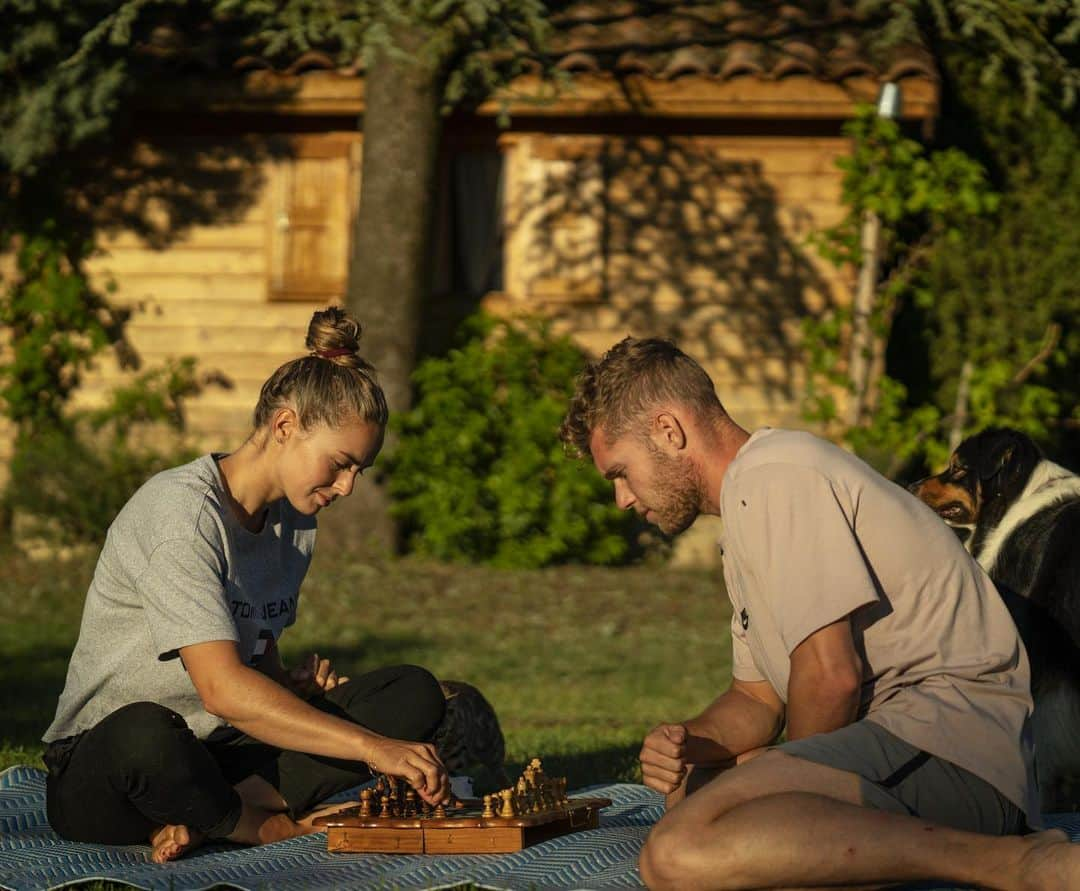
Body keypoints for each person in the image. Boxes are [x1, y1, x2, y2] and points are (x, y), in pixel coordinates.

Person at [560, 336, 1080, 891]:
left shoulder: (778, 475)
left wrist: (789, 784)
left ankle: (1013, 866)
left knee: (677, 852)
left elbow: (830, 677)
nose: (623, 499)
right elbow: (757, 698)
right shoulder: (747, 508)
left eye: (620, 472)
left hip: (949, 749)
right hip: (900, 746)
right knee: (699, 792)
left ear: (669, 430)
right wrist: (689, 740)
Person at [42, 307, 449, 863]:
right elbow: (222, 690)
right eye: (340, 463)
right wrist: (372, 750)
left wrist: (290, 686)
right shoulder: (181, 516)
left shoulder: (295, 521)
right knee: (145, 731)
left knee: (412, 692)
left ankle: (214, 816)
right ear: (284, 427)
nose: (348, 486)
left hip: (218, 753)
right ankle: (262, 826)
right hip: (111, 771)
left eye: (360, 470)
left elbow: (253, 654)